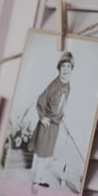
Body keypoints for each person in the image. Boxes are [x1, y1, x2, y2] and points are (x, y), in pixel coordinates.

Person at [29, 51, 74, 188]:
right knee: (42, 154)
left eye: (68, 66)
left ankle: (40, 177)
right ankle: (37, 180)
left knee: (48, 154)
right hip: (47, 124)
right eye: (63, 66)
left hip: (56, 124)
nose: (65, 69)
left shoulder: (68, 85)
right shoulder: (54, 85)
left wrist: (62, 113)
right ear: (59, 68)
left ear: (72, 69)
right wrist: (42, 117)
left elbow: (61, 102)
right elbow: (41, 100)